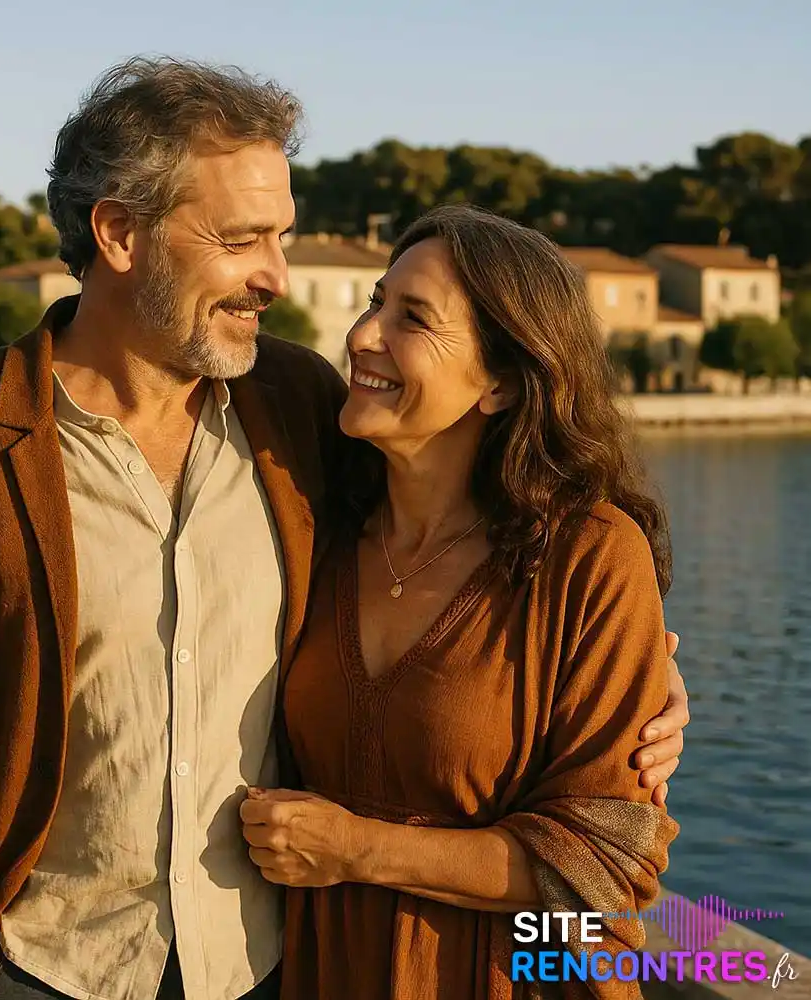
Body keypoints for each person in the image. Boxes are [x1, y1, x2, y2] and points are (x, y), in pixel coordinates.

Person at [0, 58, 687, 1000]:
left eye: (282, 236)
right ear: (119, 233)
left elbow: (503, 577)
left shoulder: (297, 410)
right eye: (243, 239)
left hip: (267, 968)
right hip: (40, 969)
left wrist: (649, 673)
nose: (277, 277)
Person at [236, 205, 681, 1000]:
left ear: (502, 383)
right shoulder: (320, 526)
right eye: (375, 301)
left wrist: (355, 848)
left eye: (413, 318)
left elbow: (612, 858)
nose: (365, 334)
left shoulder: (589, 554)